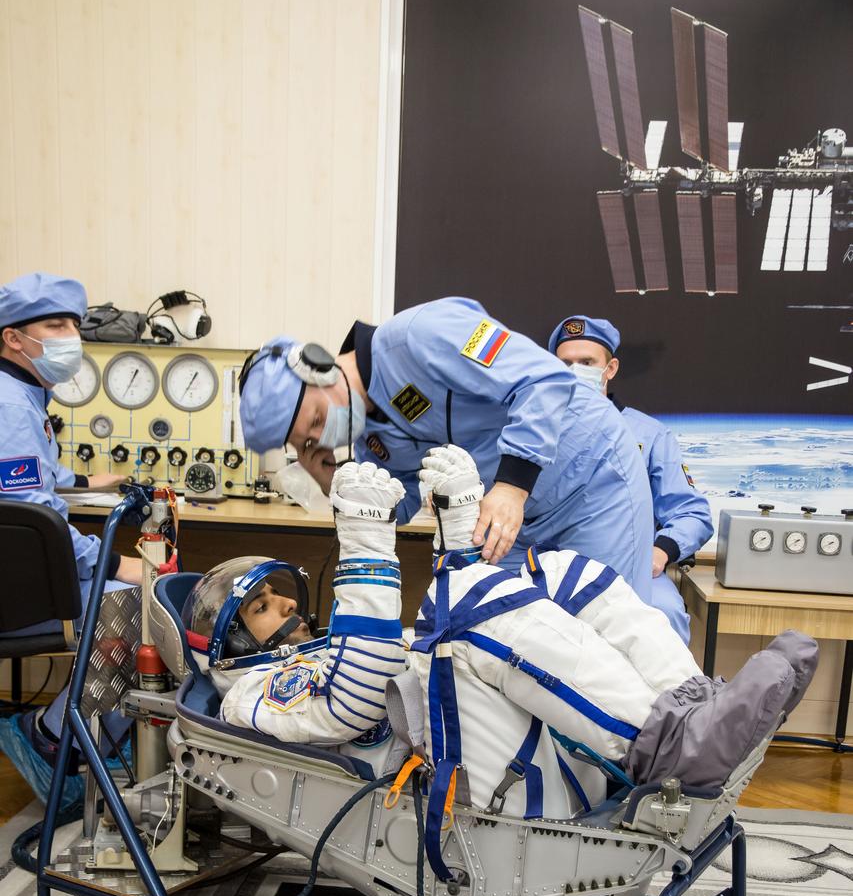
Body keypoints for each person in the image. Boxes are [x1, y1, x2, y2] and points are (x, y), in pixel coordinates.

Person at [408, 446, 816, 827]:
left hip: (526, 568)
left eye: (586, 362)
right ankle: (669, 745)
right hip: (450, 627)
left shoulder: (621, 433)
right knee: (471, 602)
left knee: (560, 569)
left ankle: (693, 709)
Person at [236, 298, 656, 601]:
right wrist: (327, 474)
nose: (324, 436)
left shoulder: (423, 335)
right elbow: (396, 512)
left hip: (591, 479)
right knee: (509, 636)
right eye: (308, 440)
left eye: (314, 420)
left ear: (318, 365)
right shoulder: (369, 436)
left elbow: (544, 380)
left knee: (609, 627)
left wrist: (511, 489)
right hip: (516, 516)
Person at [0, 272, 142, 805]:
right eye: (54, 324)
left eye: (74, 326)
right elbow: (35, 522)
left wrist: (80, 482)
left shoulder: (20, 393)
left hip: (17, 575)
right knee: (140, 608)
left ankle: (86, 739)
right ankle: (55, 739)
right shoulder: (11, 405)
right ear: (14, 337)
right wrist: (112, 563)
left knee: (138, 603)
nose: (70, 337)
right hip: (19, 589)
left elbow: (27, 476)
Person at [183, 461, 408, 773]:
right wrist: (366, 546)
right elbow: (354, 695)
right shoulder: (247, 696)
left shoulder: (309, 659)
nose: (290, 603)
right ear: (236, 643)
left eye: (277, 594)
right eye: (261, 607)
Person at [547, 314, 713, 643]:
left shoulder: (649, 435)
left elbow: (692, 513)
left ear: (610, 369)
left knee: (664, 615)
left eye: (586, 362)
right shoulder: (534, 430)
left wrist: (660, 551)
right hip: (550, 567)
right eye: (565, 363)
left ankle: (668, 696)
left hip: (629, 570)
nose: (575, 371)